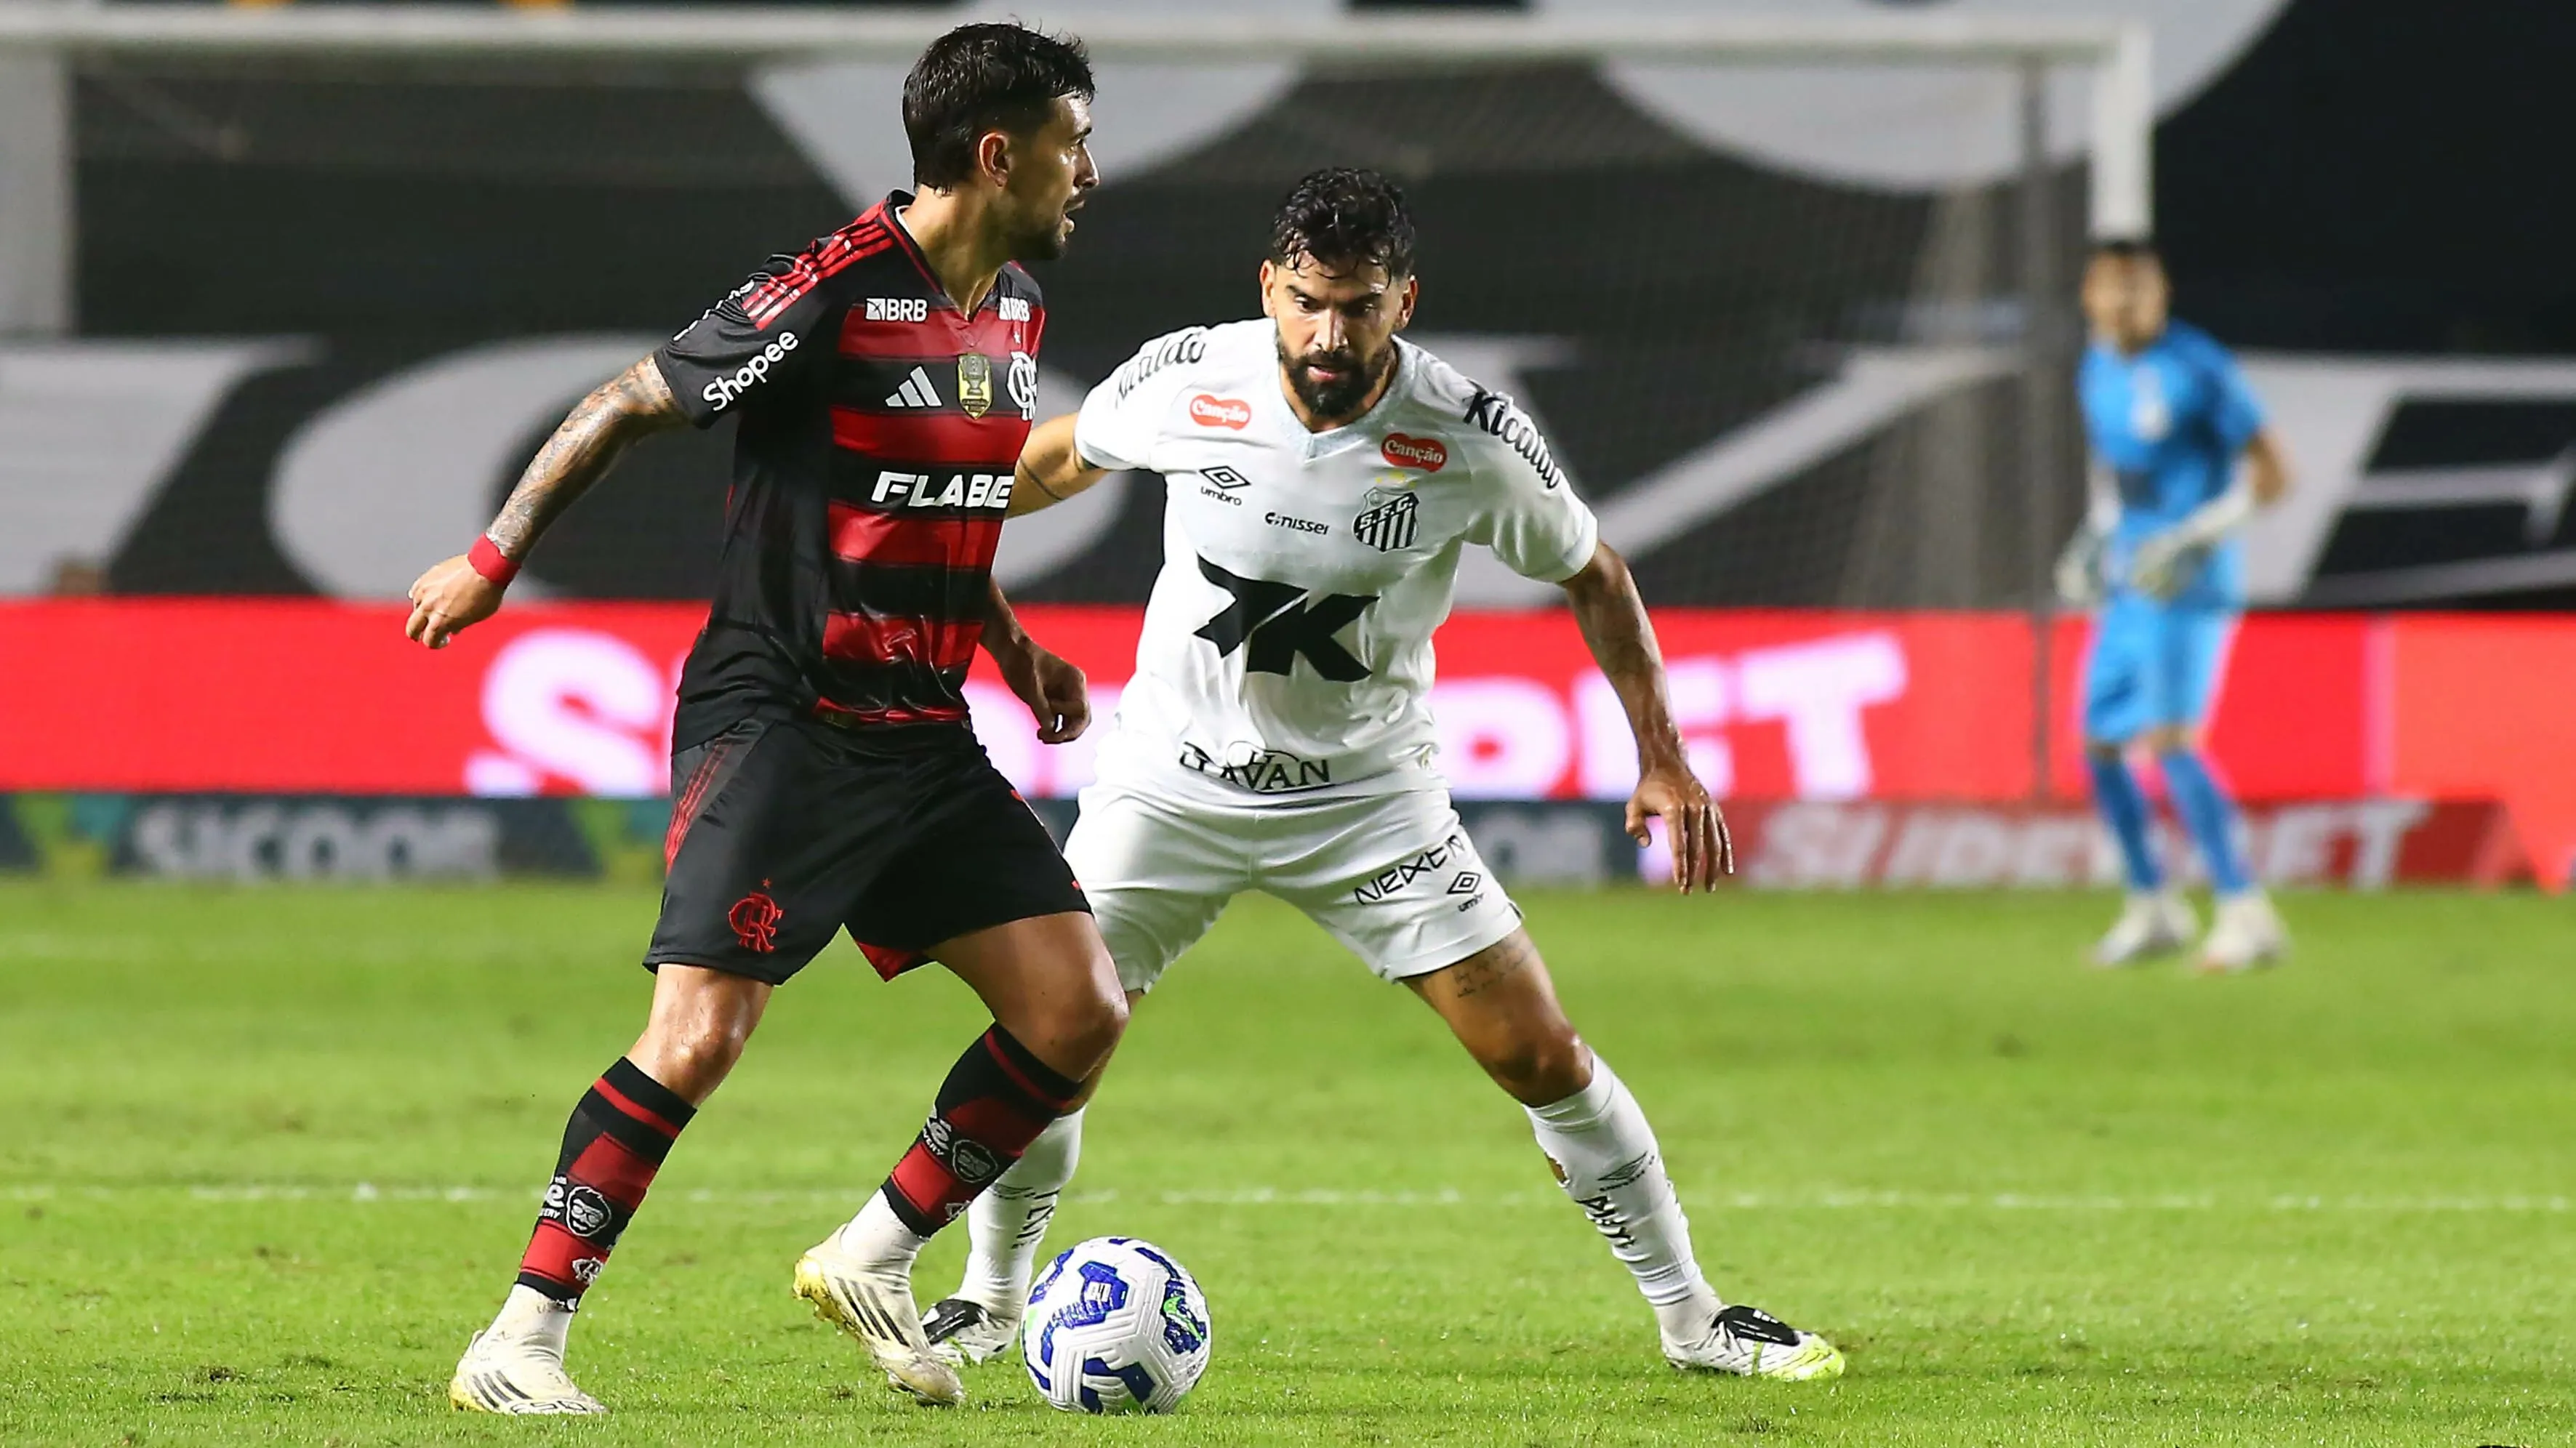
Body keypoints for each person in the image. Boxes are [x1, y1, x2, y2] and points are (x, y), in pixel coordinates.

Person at [922, 167, 1844, 1382]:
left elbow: (1593, 573)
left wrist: (1662, 757)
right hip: (1167, 786)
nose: (1327, 332)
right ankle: (989, 1300)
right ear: (1269, 288)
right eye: (1306, 300)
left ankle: (1693, 1320)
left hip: (1364, 804)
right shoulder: (1192, 374)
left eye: (1357, 305)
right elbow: (1053, 462)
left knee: (1537, 1054)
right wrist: (929, 511)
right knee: (1050, 1036)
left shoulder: (1465, 434)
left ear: (1401, 301)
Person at [402, 23, 1125, 1412]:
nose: (1086, 167)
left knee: (1074, 1004)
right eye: (1071, 139)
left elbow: (936, 508)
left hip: (919, 730)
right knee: (699, 1034)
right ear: (997, 152)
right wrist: (491, 560)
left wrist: (1015, 649)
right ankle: (521, 1336)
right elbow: (626, 400)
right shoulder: (837, 288)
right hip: (782, 713)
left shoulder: (1017, 309)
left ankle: (873, 1252)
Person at [2056, 238, 2294, 972]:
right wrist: (2092, 538)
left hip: (2190, 584)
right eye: (2113, 289)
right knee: (2097, 743)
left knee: (2170, 741)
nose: (2126, 303)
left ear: (2161, 295)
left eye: (2140, 289)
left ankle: (2244, 910)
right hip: (2131, 580)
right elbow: (2120, 480)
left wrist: (2197, 537)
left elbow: (2274, 475)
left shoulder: (2198, 367)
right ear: (2089, 296)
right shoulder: (2096, 369)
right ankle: (2152, 906)